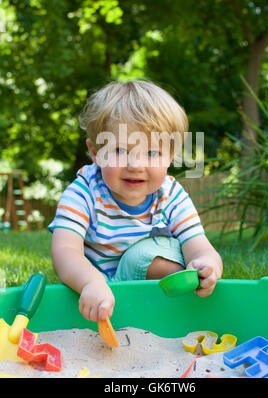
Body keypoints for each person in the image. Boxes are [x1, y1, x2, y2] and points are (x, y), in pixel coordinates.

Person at [49, 80, 223, 323]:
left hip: (148, 283)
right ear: (96, 152)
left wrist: (207, 265)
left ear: (170, 156)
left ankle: (172, 312)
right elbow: (65, 251)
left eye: (152, 153)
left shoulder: (170, 194)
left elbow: (199, 246)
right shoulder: (83, 192)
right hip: (97, 289)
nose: (136, 165)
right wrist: (90, 282)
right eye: (120, 150)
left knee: (146, 257)